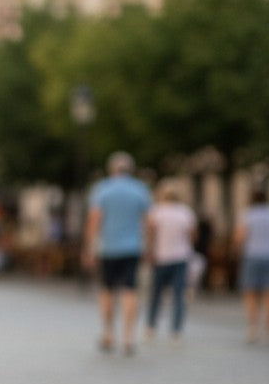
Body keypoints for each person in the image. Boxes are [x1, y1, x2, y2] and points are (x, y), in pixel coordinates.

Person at [82, 151, 151, 354]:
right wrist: (149, 246)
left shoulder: (102, 189)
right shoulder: (140, 189)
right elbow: (147, 222)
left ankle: (109, 333)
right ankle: (128, 337)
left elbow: (94, 220)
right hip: (132, 248)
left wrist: (88, 247)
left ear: (111, 169)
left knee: (106, 291)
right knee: (130, 290)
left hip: (107, 248)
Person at [144, 182, 196, 343]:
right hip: (181, 257)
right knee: (179, 294)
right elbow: (192, 236)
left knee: (155, 294)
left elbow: (150, 235)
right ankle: (176, 331)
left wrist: (150, 253)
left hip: (161, 257)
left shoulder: (156, 211)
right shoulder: (186, 212)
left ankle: (151, 326)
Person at [233, 188, 269, 345]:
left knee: (250, 293)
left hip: (252, 255)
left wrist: (235, 251)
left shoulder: (248, 214)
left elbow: (239, 237)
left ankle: (253, 327)